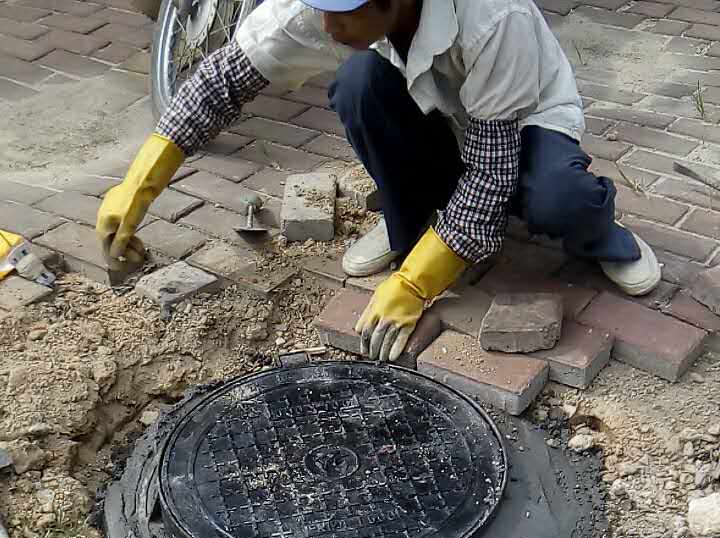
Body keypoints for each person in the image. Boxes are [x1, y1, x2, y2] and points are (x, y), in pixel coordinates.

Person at [97, 0, 661, 362]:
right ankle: (410, 224)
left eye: (344, 13)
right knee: (359, 83)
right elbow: (221, 80)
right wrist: (138, 185)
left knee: (554, 197)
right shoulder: (328, 10)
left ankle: (601, 235)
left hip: (523, 119)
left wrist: (416, 285)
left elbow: (492, 171)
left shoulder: (494, 18)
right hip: (438, 108)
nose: (327, 25)